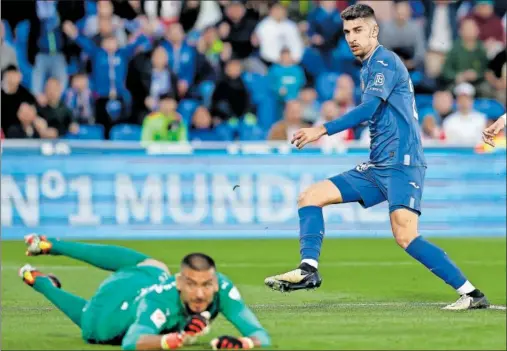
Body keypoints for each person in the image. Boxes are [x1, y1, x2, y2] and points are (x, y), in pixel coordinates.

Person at [264, 3, 490, 311]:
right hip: (377, 165)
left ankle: (471, 293)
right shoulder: (368, 66)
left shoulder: (384, 61)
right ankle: (308, 269)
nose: (352, 38)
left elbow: (368, 109)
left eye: (358, 30)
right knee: (310, 196)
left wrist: (322, 129)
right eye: (347, 33)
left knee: (405, 235)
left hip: (402, 163)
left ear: (374, 30)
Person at [19, 234, 271, 350]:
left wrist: (245, 343)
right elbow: (131, 342)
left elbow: (260, 335)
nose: (200, 294)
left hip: (139, 284)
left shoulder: (222, 288)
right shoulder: (158, 302)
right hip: (109, 318)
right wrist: (172, 340)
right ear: (179, 282)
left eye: (206, 285)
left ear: (215, 283)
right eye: (192, 285)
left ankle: (49, 250)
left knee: (153, 265)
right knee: (89, 320)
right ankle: (39, 279)